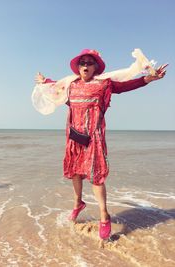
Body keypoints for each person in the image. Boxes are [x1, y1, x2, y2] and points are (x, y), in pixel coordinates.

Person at [33, 49, 167, 240]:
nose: (85, 65)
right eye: (82, 63)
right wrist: (45, 82)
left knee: (96, 177)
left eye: (89, 62)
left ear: (96, 67)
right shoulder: (71, 84)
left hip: (94, 137)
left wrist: (150, 79)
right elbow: (57, 89)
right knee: (75, 172)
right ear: (78, 67)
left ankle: (104, 216)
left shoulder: (104, 83)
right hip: (74, 135)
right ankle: (78, 203)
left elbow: (126, 85)